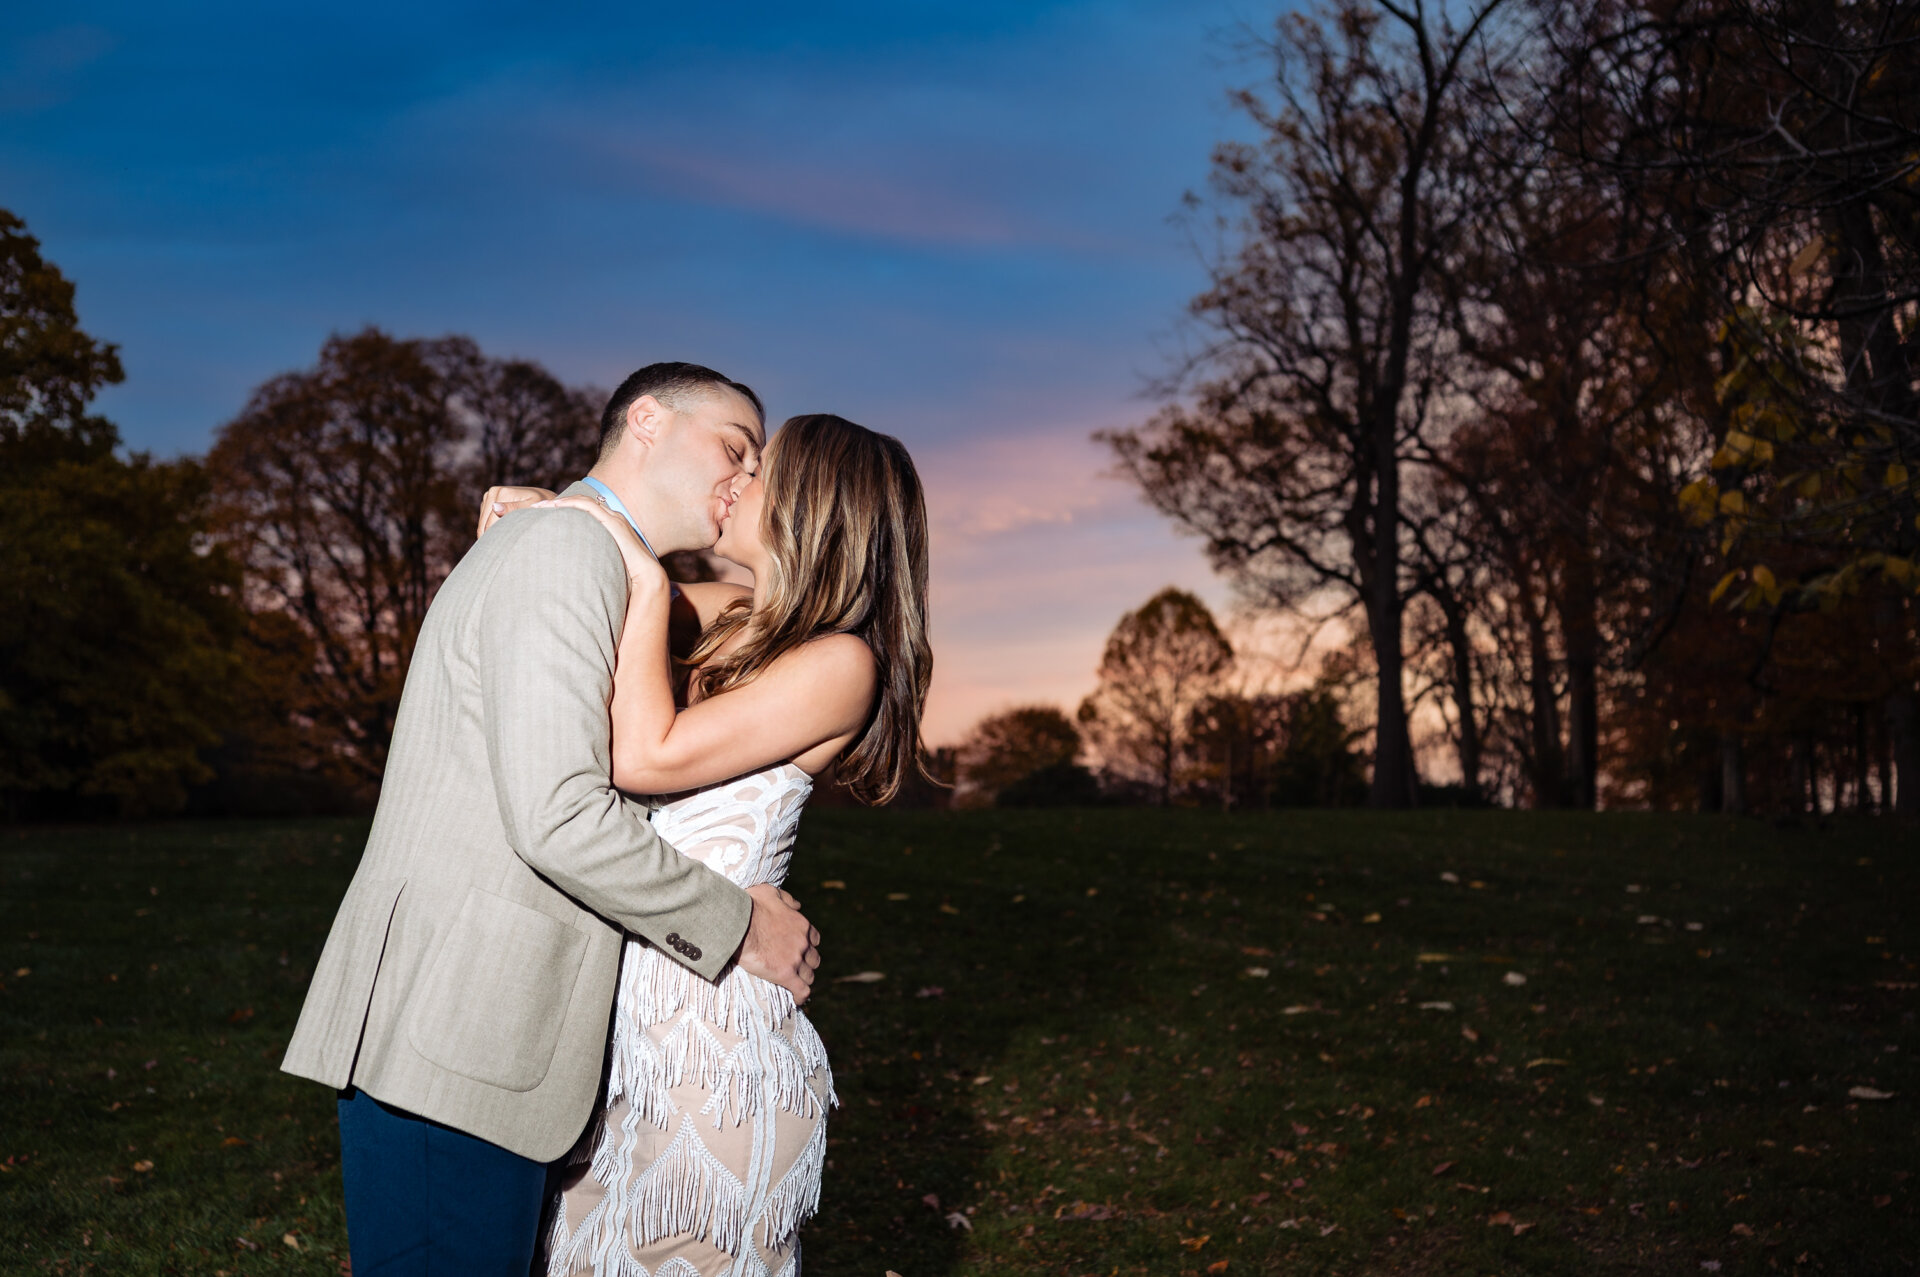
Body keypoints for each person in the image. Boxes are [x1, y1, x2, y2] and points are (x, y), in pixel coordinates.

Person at [280, 363, 822, 1277]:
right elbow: (559, 816)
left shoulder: (583, 552)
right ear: (645, 420)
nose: (743, 476)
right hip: (458, 1036)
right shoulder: (564, 553)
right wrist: (740, 929)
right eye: (733, 446)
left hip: (485, 1040)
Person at [478, 411, 931, 1276]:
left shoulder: (842, 664)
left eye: (760, 472)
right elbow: (593, 587)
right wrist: (559, 518)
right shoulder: (731, 618)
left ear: (809, 506)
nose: (736, 478)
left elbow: (646, 757)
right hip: (611, 1047)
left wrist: (643, 584)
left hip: (710, 1062)